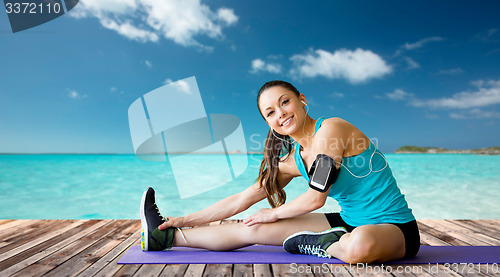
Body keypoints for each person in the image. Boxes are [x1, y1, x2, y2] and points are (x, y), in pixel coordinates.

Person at [140, 80, 420, 263]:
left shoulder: (332, 129)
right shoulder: (291, 161)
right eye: (270, 112)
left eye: (284, 102)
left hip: (395, 228)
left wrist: (273, 212)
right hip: (346, 222)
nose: (281, 114)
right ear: (268, 123)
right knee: (253, 228)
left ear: (302, 100)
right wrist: (182, 219)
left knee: (360, 248)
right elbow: (241, 200)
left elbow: (315, 198)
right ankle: (164, 238)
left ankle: (323, 244)